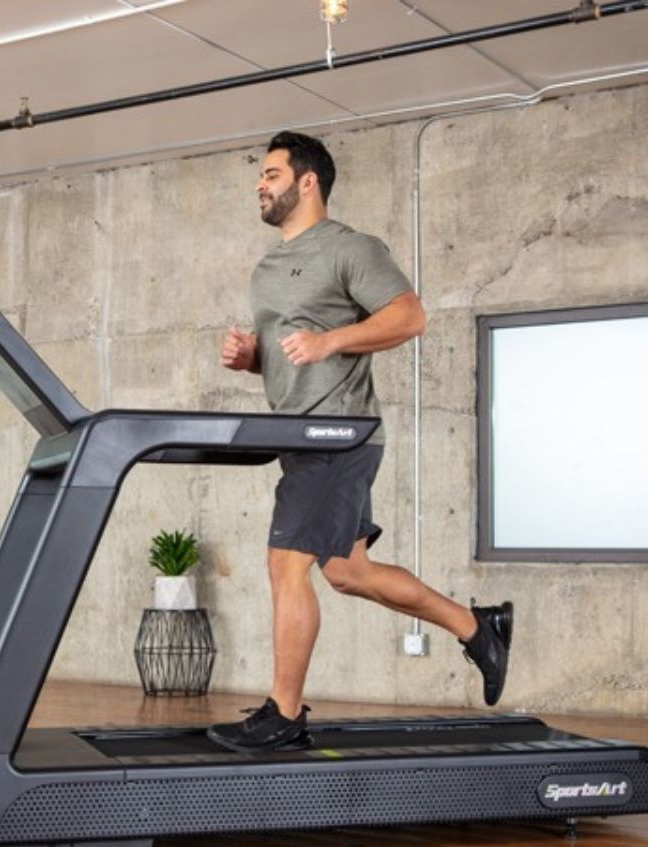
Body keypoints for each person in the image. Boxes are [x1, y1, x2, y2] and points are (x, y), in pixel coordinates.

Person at [207, 131, 513, 753]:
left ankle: (285, 716)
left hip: (338, 431)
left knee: (285, 563)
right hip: (299, 433)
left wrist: (331, 342)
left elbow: (409, 316)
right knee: (348, 571)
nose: (260, 186)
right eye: (259, 178)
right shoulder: (267, 267)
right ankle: (478, 626)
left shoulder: (350, 249)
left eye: (270, 174)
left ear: (308, 181)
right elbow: (289, 352)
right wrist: (252, 358)